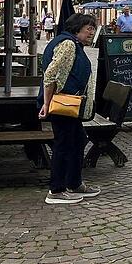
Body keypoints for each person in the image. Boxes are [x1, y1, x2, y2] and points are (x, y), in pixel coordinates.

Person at [38, 13, 101, 205]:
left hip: (70, 104)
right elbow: (51, 75)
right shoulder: (68, 44)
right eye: (88, 28)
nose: (92, 32)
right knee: (64, 145)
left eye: (93, 28)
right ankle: (56, 190)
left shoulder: (71, 44)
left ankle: (74, 183)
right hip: (64, 105)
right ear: (77, 28)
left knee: (78, 139)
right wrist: (47, 104)